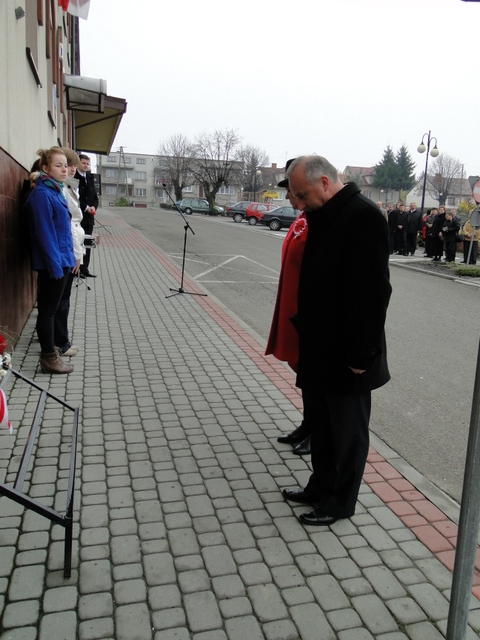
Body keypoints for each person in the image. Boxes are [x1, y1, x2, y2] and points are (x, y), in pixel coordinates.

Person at [282, 155, 391, 526]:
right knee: (324, 428)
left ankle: (340, 502)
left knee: (347, 434)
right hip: (318, 346)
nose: (297, 203)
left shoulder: (364, 217)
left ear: (325, 182)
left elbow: (373, 293)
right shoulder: (322, 214)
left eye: (301, 195)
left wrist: (363, 354)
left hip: (349, 353)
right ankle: (320, 487)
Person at [265, 159, 310, 456]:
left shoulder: (317, 219)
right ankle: (308, 424)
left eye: (292, 191)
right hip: (292, 305)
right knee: (302, 371)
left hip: (305, 309)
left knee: (311, 372)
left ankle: (316, 429)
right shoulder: (301, 218)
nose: (289, 197)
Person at [24, 147, 76, 374]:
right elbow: (45, 234)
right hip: (52, 264)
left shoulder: (54, 190)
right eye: (58, 165)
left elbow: (62, 232)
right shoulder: (42, 194)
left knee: (51, 310)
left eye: (65, 165)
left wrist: (70, 258)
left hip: (62, 260)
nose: (64, 170)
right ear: (45, 168)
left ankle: (52, 352)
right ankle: (49, 358)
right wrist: (55, 266)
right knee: (48, 311)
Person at [55, 147, 86, 356]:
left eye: (72, 165)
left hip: (71, 247)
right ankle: (60, 342)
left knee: (61, 299)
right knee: (61, 300)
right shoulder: (62, 189)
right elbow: (69, 225)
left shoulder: (69, 186)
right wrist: (77, 254)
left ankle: (59, 339)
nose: (71, 169)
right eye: (67, 165)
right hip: (67, 250)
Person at [75, 154, 98, 278]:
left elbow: (95, 197)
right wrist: (86, 208)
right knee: (78, 243)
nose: (86, 166)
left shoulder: (89, 177)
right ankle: (77, 270)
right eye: (84, 163)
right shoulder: (74, 177)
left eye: (88, 164)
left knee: (87, 243)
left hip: (89, 218)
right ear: (78, 163)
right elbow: (74, 198)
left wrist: (93, 207)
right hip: (79, 216)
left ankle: (85, 269)